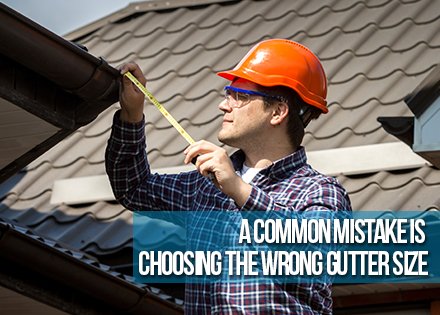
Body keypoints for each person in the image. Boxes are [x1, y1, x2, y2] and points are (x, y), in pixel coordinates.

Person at [106, 39, 352, 314]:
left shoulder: (321, 192)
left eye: (240, 96)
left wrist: (239, 191)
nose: (224, 105)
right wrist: (131, 114)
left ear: (278, 112)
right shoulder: (205, 186)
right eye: (228, 93)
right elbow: (133, 187)